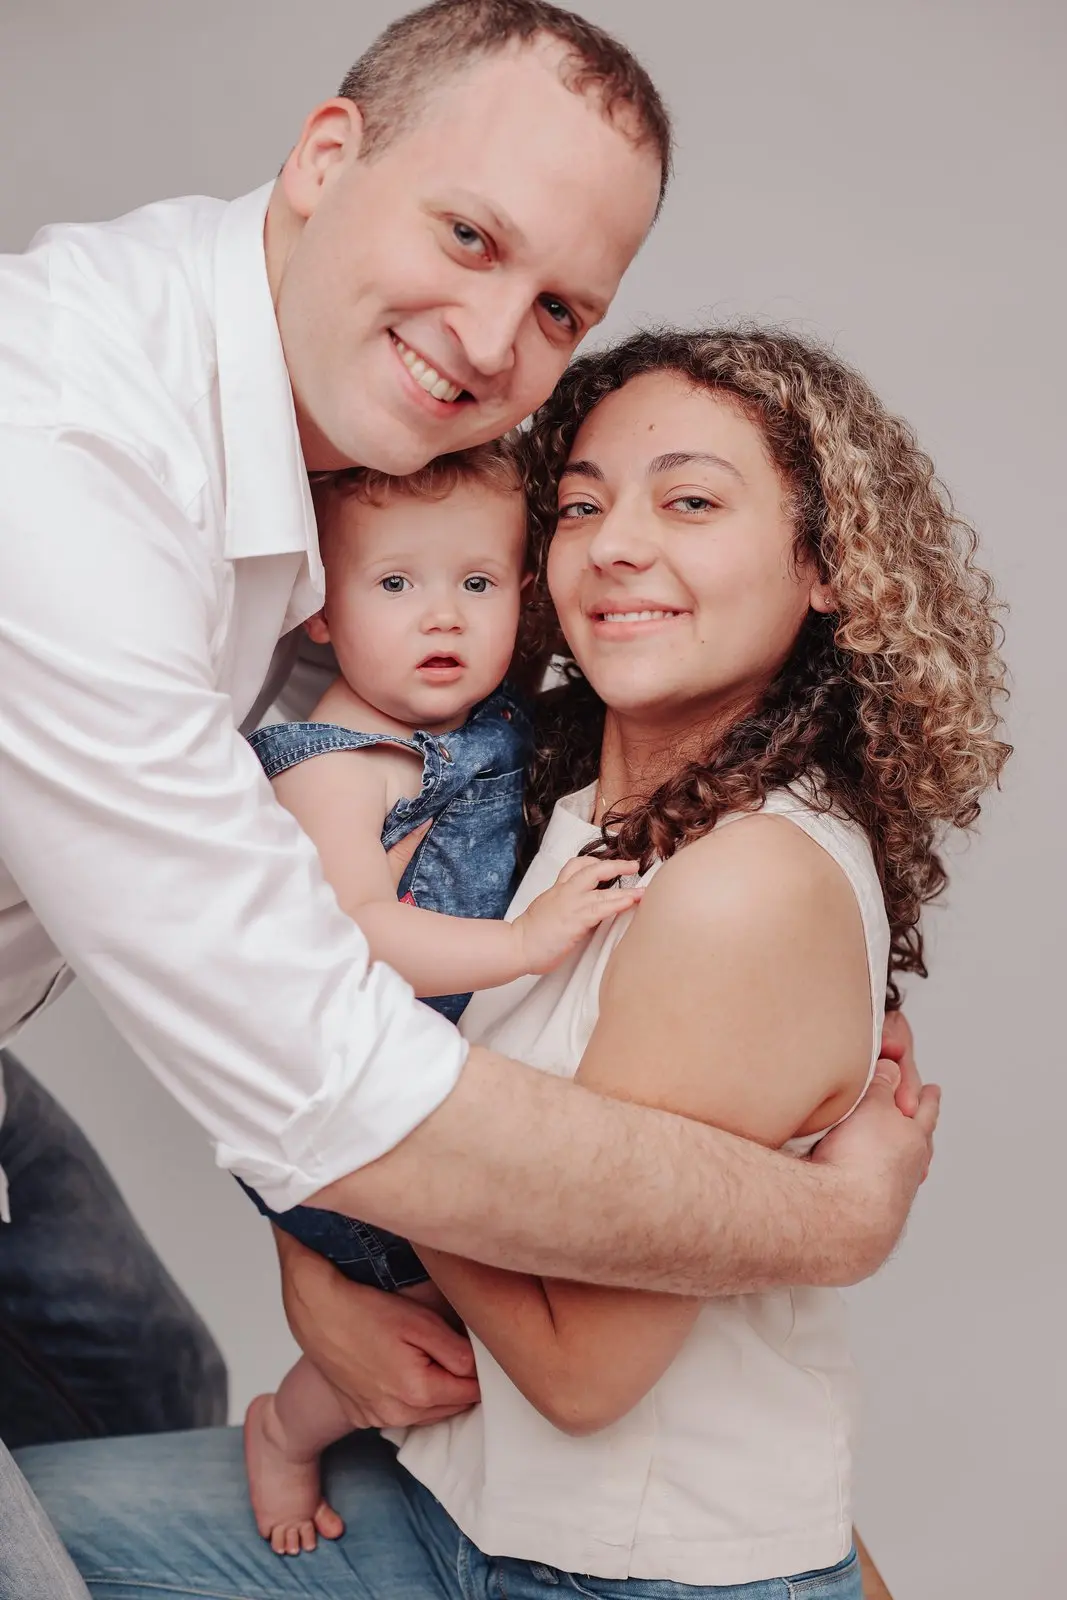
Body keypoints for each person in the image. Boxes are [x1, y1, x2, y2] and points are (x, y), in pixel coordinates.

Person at [0, 4, 937, 1595]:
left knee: (141, 1389)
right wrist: (828, 1227)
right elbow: (321, 1060)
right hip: (460, 1473)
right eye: (465, 232)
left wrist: (323, 1238)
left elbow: (332, 1020)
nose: (494, 339)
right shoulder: (64, 465)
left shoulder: (374, 494)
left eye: (559, 302)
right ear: (323, 157)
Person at [240, 439, 645, 1547]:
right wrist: (522, 946)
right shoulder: (336, 763)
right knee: (426, 1321)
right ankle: (285, 1425)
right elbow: (363, 935)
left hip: (448, 1084)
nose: (441, 619)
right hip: (361, 1111)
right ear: (319, 610)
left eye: (475, 585)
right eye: (394, 584)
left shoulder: (489, 719)